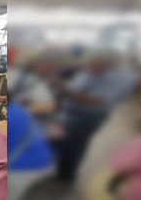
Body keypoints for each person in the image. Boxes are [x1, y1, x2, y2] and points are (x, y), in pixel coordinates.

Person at [55, 49, 136, 181]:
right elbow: (77, 86)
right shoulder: (93, 69)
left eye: (94, 64)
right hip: (70, 110)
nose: (89, 67)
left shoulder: (121, 77)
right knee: (63, 140)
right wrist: (64, 87)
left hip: (88, 115)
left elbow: (97, 101)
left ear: (109, 63)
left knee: (74, 144)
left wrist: (65, 92)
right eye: (89, 63)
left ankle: (65, 175)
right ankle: (58, 169)